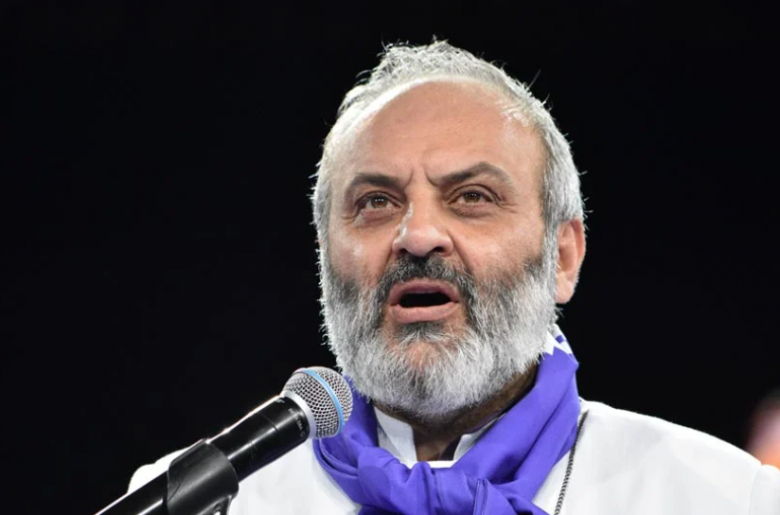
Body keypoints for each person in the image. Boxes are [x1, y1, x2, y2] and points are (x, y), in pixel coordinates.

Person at [129, 41, 780, 514]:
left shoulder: (721, 498)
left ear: (563, 257)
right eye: (376, 202)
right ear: (325, 257)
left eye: (471, 197)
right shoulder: (203, 500)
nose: (416, 236)